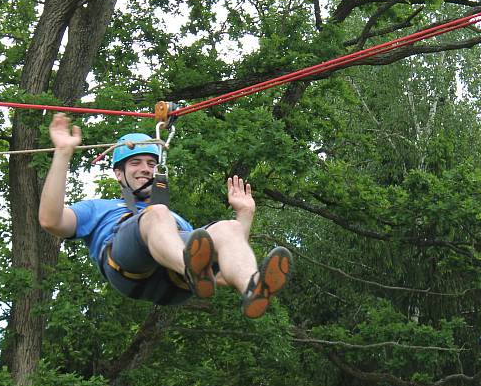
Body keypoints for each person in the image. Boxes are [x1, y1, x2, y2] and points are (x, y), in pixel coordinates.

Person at [38, 113, 292, 318]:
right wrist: (62, 153)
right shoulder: (100, 208)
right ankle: (190, 269)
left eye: (151, 164)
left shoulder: (176, 222)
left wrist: (245, 215)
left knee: (228, 229)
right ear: (119, 173)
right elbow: (51, 220)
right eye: (136, 163)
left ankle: (254, 288)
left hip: (174, 282)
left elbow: (223, 274)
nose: (146, 169)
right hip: (126, 263)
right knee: (157, 213)